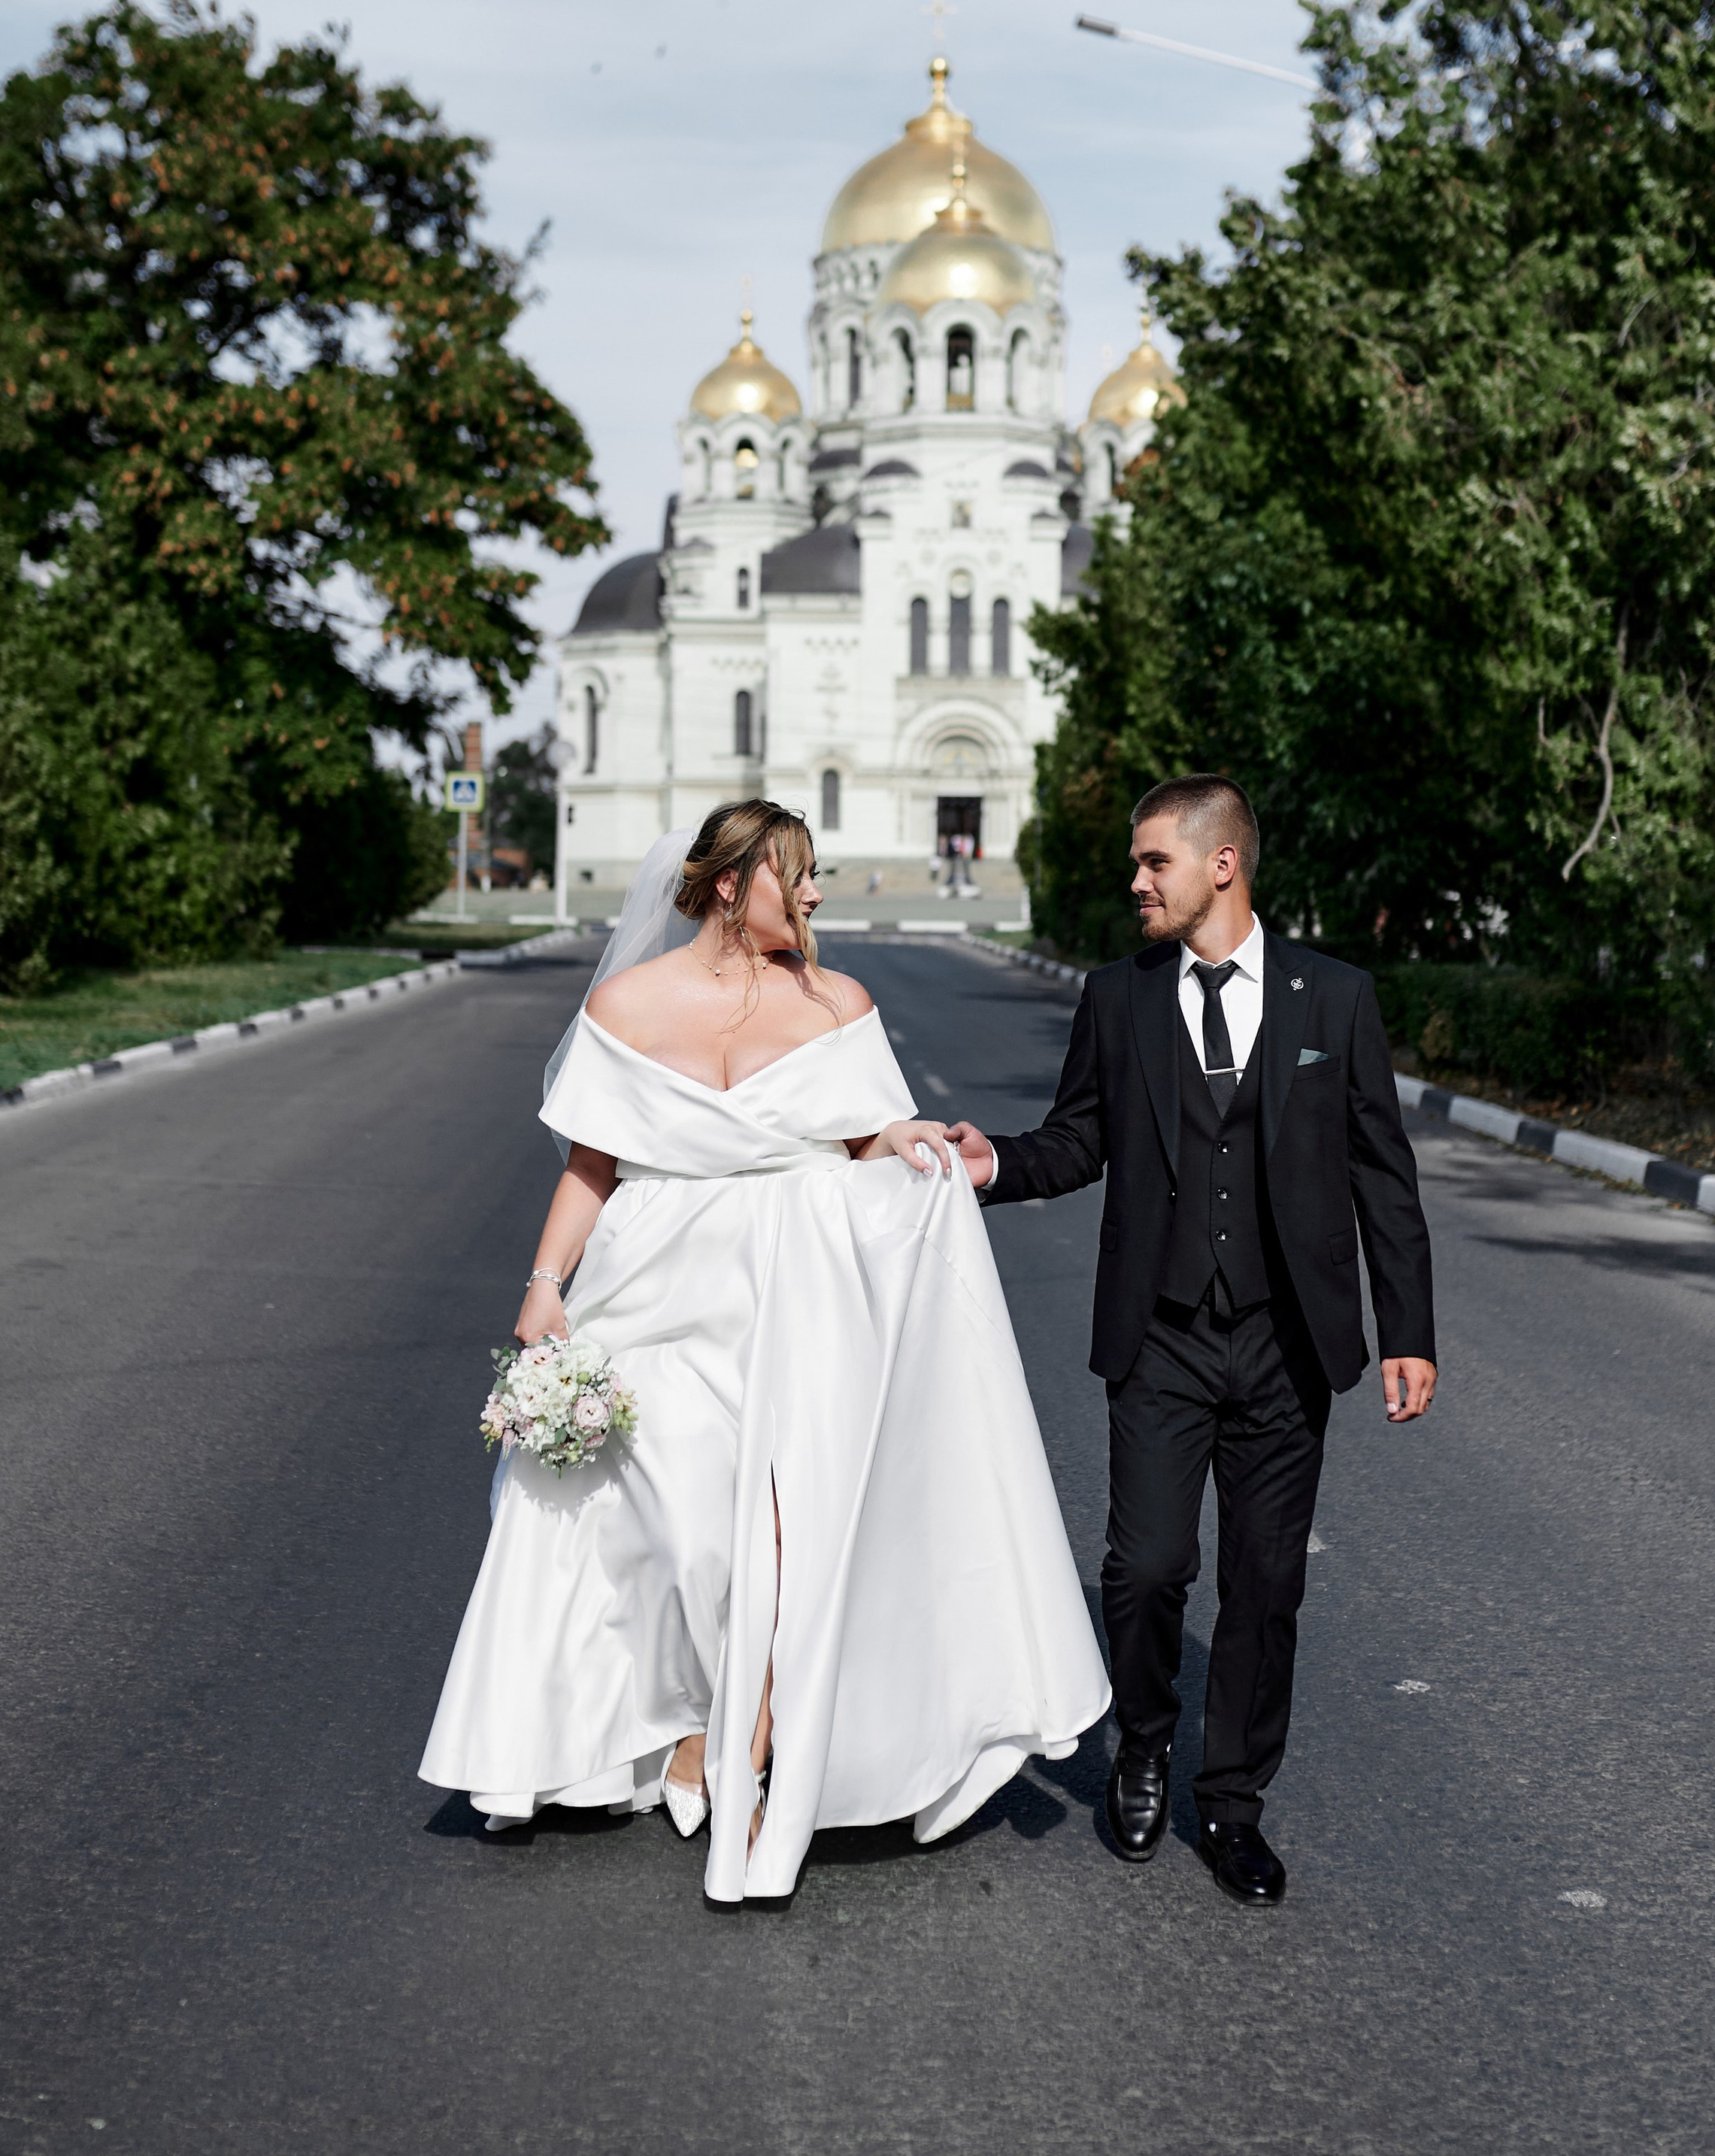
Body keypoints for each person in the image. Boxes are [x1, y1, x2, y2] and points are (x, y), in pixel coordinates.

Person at [420, 799, 1110, 1906]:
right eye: (800, 875)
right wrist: (545, 1288)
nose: (819, 895)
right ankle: (649, 1726)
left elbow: (863, 1133)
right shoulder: (629, 1004)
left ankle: (742, 1730)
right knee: (672, 1523)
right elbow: (592, 1166)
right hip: (649, 1288)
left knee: (780, 1532)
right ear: (732, 885)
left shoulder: (839, 1002)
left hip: (792, 1296)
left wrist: (907, 1140)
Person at [943, 775, 1435, 1907]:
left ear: (1222, 865)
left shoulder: (1336, 998)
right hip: (1160, 1336)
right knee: (1150, 1566)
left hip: (1286, 1345)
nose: (1135, 881)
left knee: (1265, 1587)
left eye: (1153, 862)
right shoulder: (1118, 999)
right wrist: (993, 1165)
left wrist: (1406, 1328)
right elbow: (1077, 1140)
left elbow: (1382, 1177)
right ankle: (1146, 1744)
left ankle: (1234, 1806)